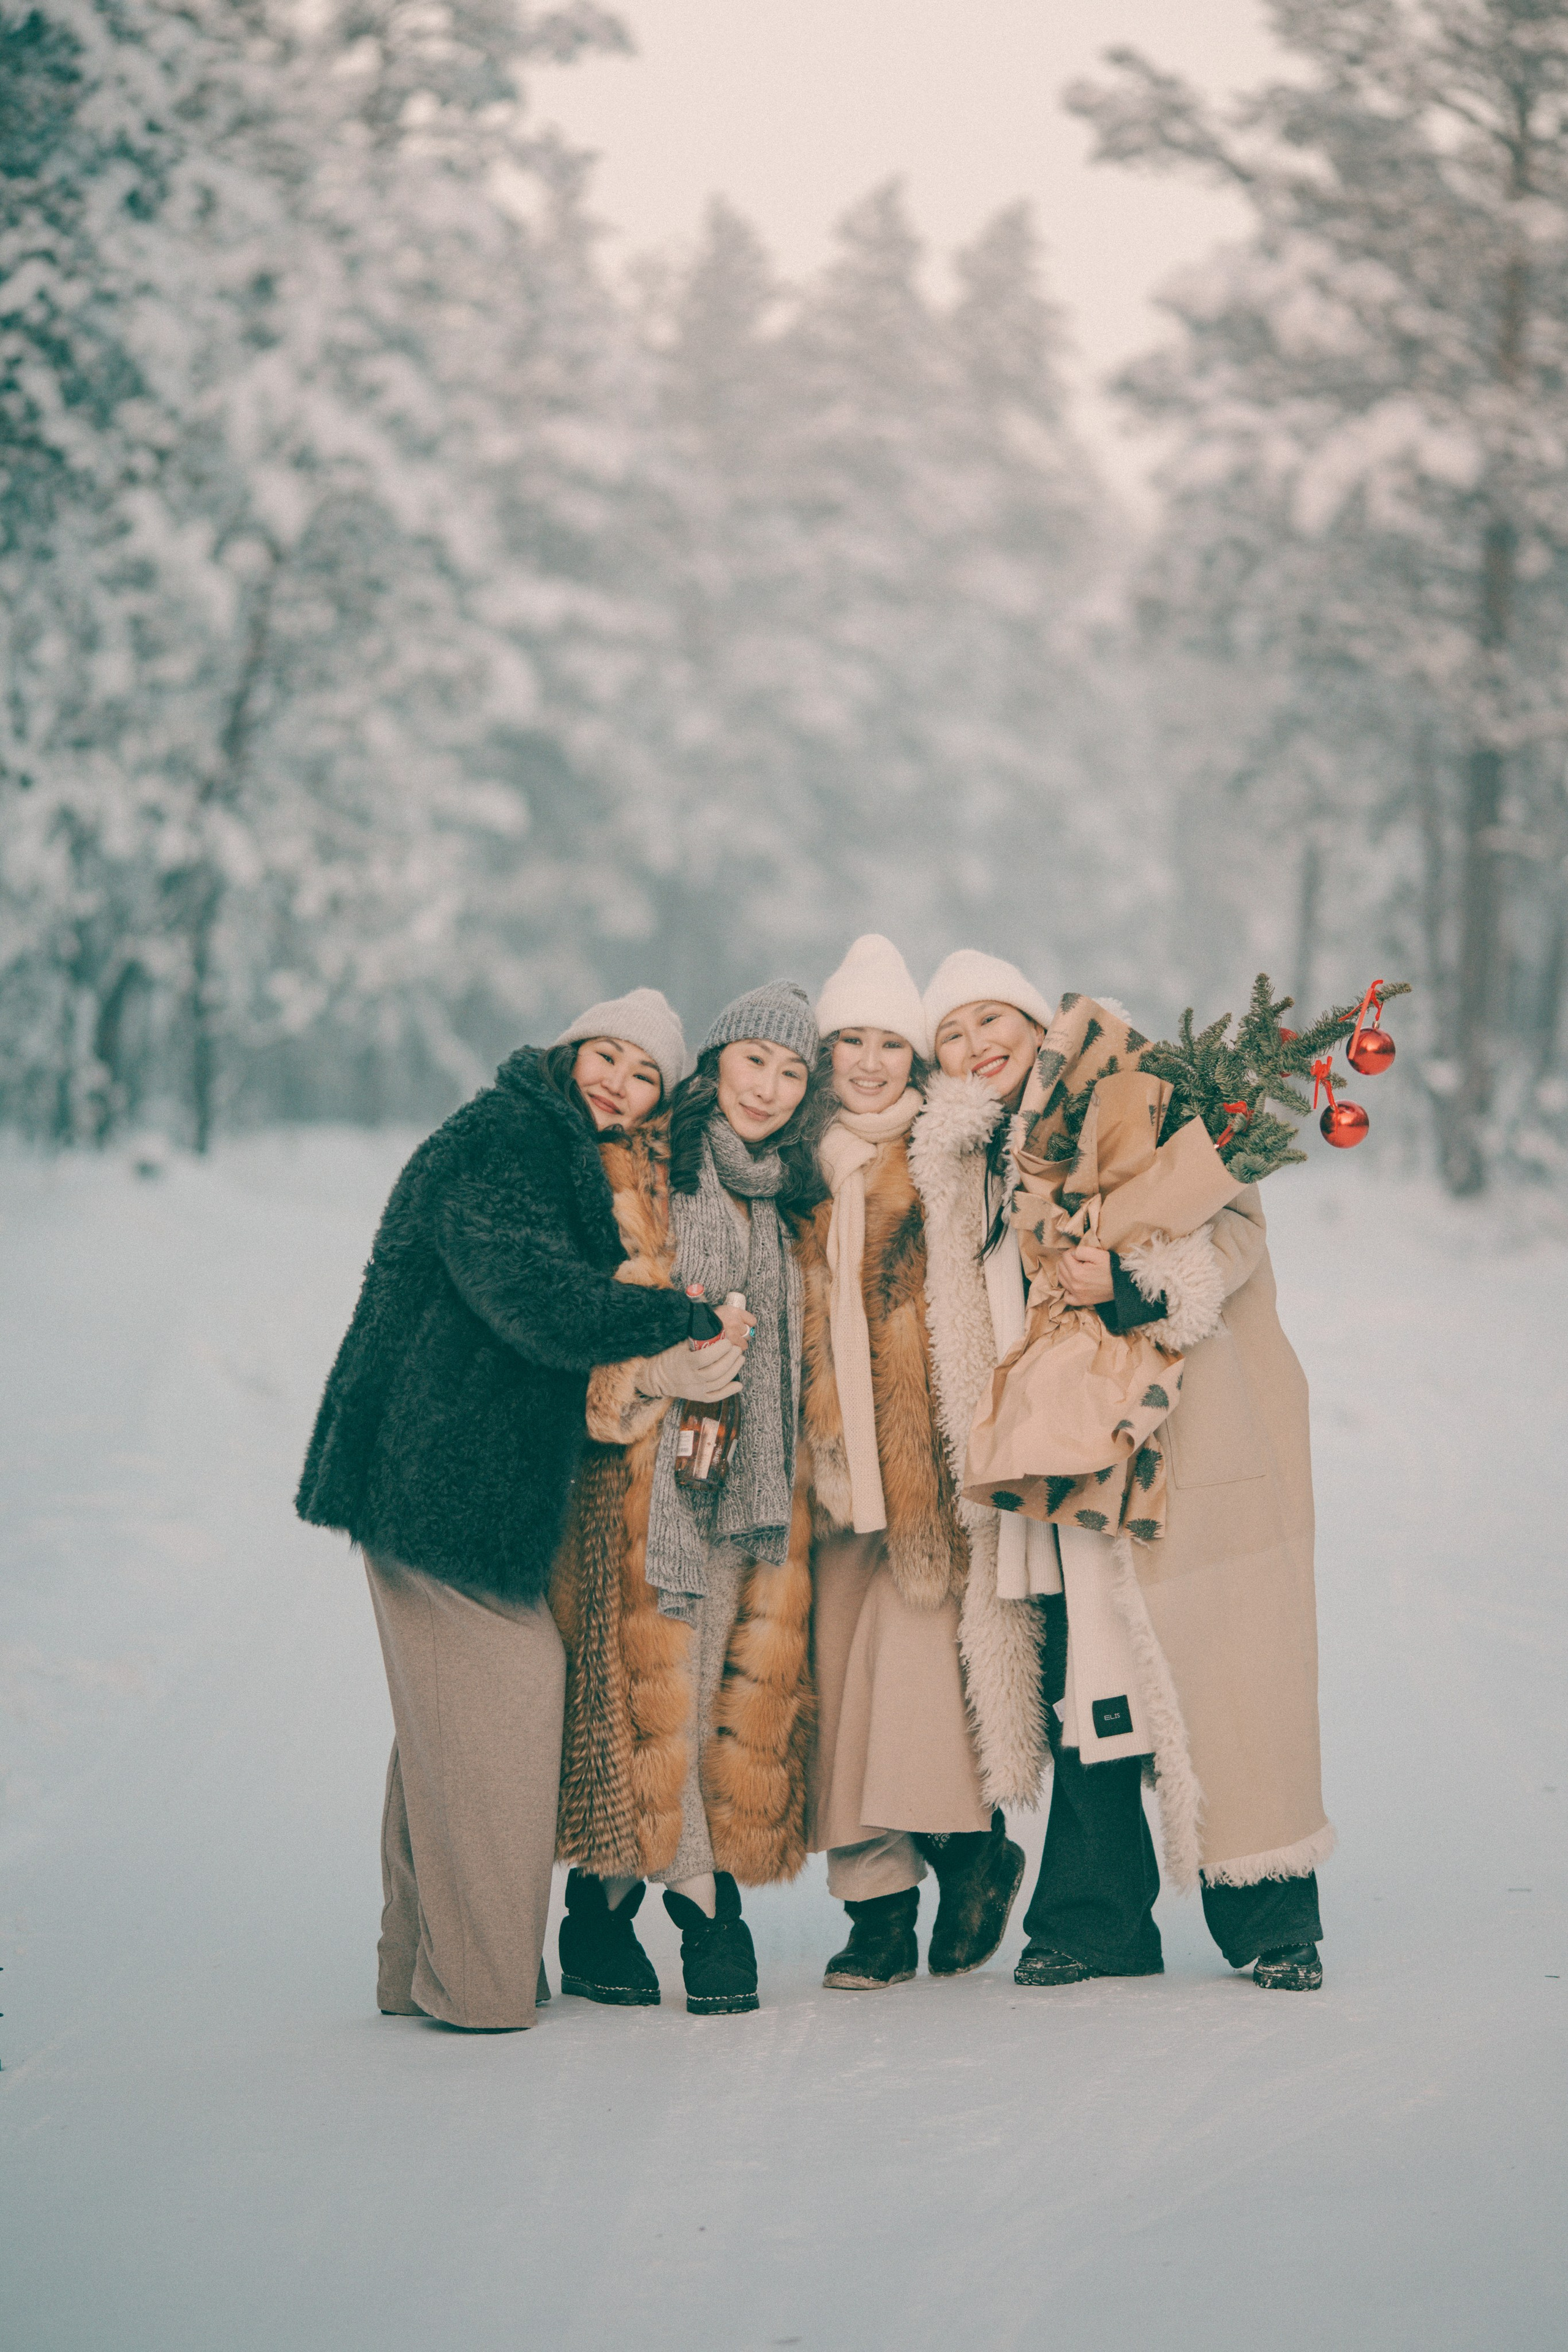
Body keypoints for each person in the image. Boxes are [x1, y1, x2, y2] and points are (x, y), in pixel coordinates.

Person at [296, 989, 737, 2032]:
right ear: (571, 1046)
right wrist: (682, 1316)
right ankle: (480, 1991)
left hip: (459, 1486)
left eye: (644, 1077)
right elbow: (529, 1295)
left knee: (448, 1726)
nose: (619, 1086)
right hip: (429, 1477)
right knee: (508, 1701)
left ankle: (419, 1970)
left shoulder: (552, 1143)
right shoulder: (505, 1135)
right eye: (608, 1057)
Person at [980, 992, 1331, 1993]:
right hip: (1069, 1445)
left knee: (1229, 1671)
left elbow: (1233, 1236)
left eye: (994, 1027)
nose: (978, 1050)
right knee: (1094, 1678)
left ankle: (1270, 1915)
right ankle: (1095, 1921)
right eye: (954, 1034)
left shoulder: (1160, 1103)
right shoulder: (988, 1154)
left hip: (1194, 1436)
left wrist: (1127, 1280)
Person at [551, 981, 823, 2017]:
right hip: (636, 1482)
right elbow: (581, 1320)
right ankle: (706, 1908)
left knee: (697, 1702)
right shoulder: (648, 1167)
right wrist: (659, 1376)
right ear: (717, 1063)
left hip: (739, 1485)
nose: (771, 1088)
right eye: (757, 1060)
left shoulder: (781, 1192)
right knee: (646, 1699)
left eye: (794, 1072)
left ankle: (601, 1904)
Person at [797, 936, 1025, 1991]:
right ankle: (876, 1915)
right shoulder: (793, 1160)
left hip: (927, 1467)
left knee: (923, 1685)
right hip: (819, 1473)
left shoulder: (946, 1151)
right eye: (851, 1039)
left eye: (892, 1041)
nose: (872, 1062)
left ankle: (969, 1853)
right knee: (838, 1689)